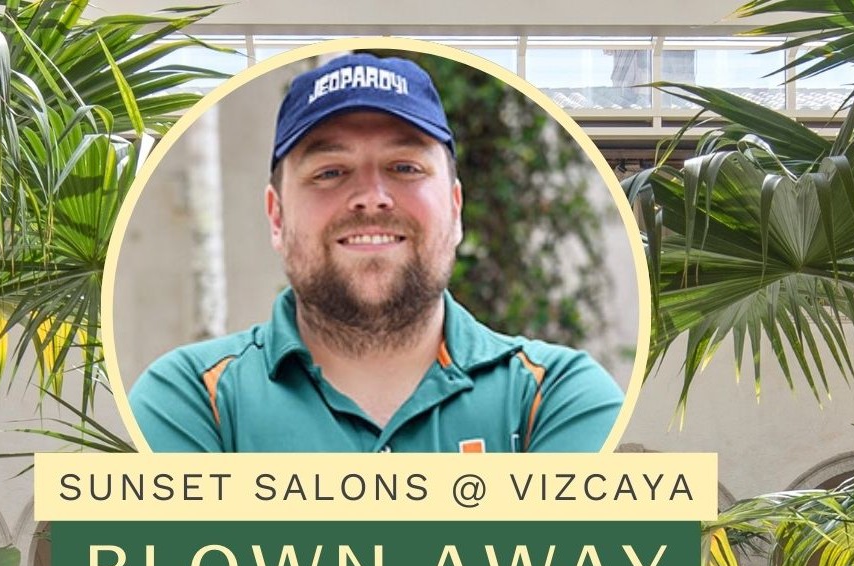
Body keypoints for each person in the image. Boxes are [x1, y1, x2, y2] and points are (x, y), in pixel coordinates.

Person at [129, 52, 624, 452]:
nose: (371, 195)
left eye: (405, 167)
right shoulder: (194, 401)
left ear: (455, 208)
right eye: (330, 171)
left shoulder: (553, 396)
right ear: (277, 217)